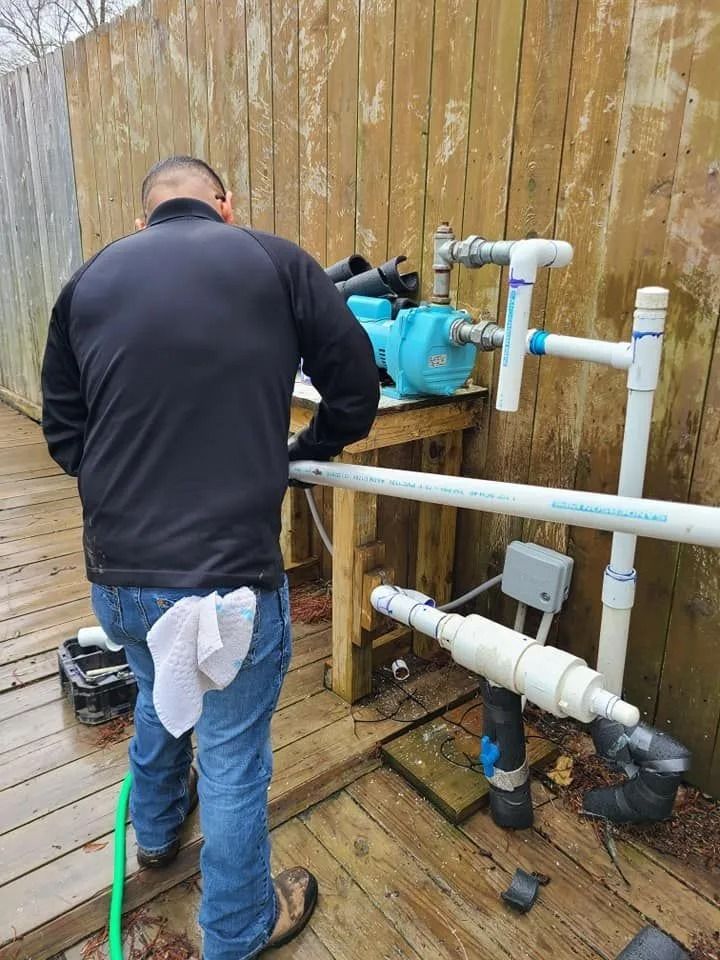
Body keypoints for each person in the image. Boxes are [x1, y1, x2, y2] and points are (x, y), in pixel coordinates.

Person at [41, 156, 380, 960]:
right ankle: (235, 931)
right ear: (224, 206)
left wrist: (130, 488)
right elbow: (357, 388)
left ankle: (155, 833)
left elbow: (64, 433)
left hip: (120, 580)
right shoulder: (276, 260)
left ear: (142, 218)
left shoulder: (88, 283)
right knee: (231, 758)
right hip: (227, 591)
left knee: (160, 684)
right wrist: (305, 448)